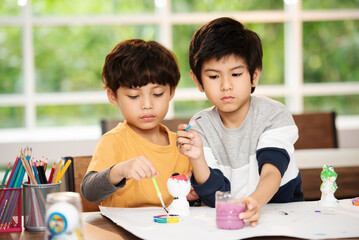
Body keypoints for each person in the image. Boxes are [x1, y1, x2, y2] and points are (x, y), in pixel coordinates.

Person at [176, 17, 303, 226]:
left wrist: (254, 202)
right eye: (214, 77)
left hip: (283, 216)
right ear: (198, 81)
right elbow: (214, 196)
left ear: (254, 76)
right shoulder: (199, 126)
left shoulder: (274, 114)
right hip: (229, 221)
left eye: (236, 74)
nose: (226, 85)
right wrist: (197, 157)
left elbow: (272, 171)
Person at [81, 39, 191, 208]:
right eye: (134, 96)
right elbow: (90, 192)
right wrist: (119, 171)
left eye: (158, 94)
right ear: (113, 96)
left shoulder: (182, 145)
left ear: (171, 92)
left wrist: (194, 192)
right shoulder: (113, 141)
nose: (147, 105)